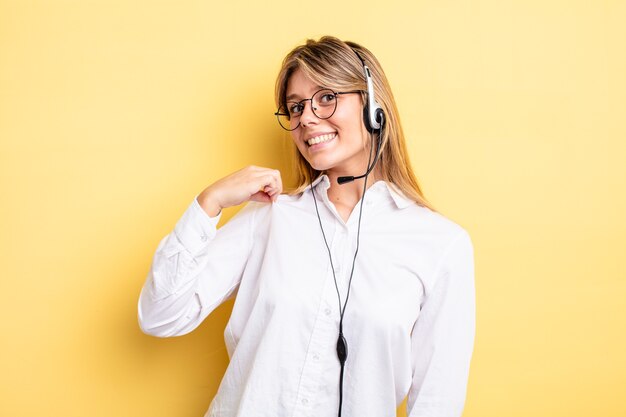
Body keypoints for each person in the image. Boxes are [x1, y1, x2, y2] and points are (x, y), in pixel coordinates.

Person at [138, 36, 475, 417]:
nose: (307, 118)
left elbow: (437, 401)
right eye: (296, 107)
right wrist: (209, 202)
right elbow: (160, 315)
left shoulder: (440, 243)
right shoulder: (270, 217)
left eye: (326, 97)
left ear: (374, 108)